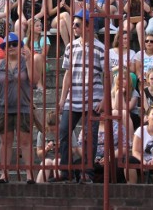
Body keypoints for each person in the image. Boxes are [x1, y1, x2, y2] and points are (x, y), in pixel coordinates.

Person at [51, 10, 105, 184]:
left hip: (94, 98)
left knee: (90, 136)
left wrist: (105, 100)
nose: (73, 26)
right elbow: (67, 73)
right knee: (64, 131)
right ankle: (65, 171)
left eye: (77, 24)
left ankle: (87, 173)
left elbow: (108, 76)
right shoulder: (70, 46)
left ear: (88, 27)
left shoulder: (100, 47)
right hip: (72, 97)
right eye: (73, 23)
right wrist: (62, 98)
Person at [0, 33, 37, 184]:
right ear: (4, 48)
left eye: (15, 44)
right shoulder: (0, 64)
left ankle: (29, 174)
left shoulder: (25, 61)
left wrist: (28, 60)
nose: (12, 47)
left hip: (23, 106)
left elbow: (34, 80)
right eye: (8, 45)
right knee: (5, 141)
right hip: (3, 107)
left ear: (20, 46)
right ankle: (4, 173)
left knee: (26, 141)